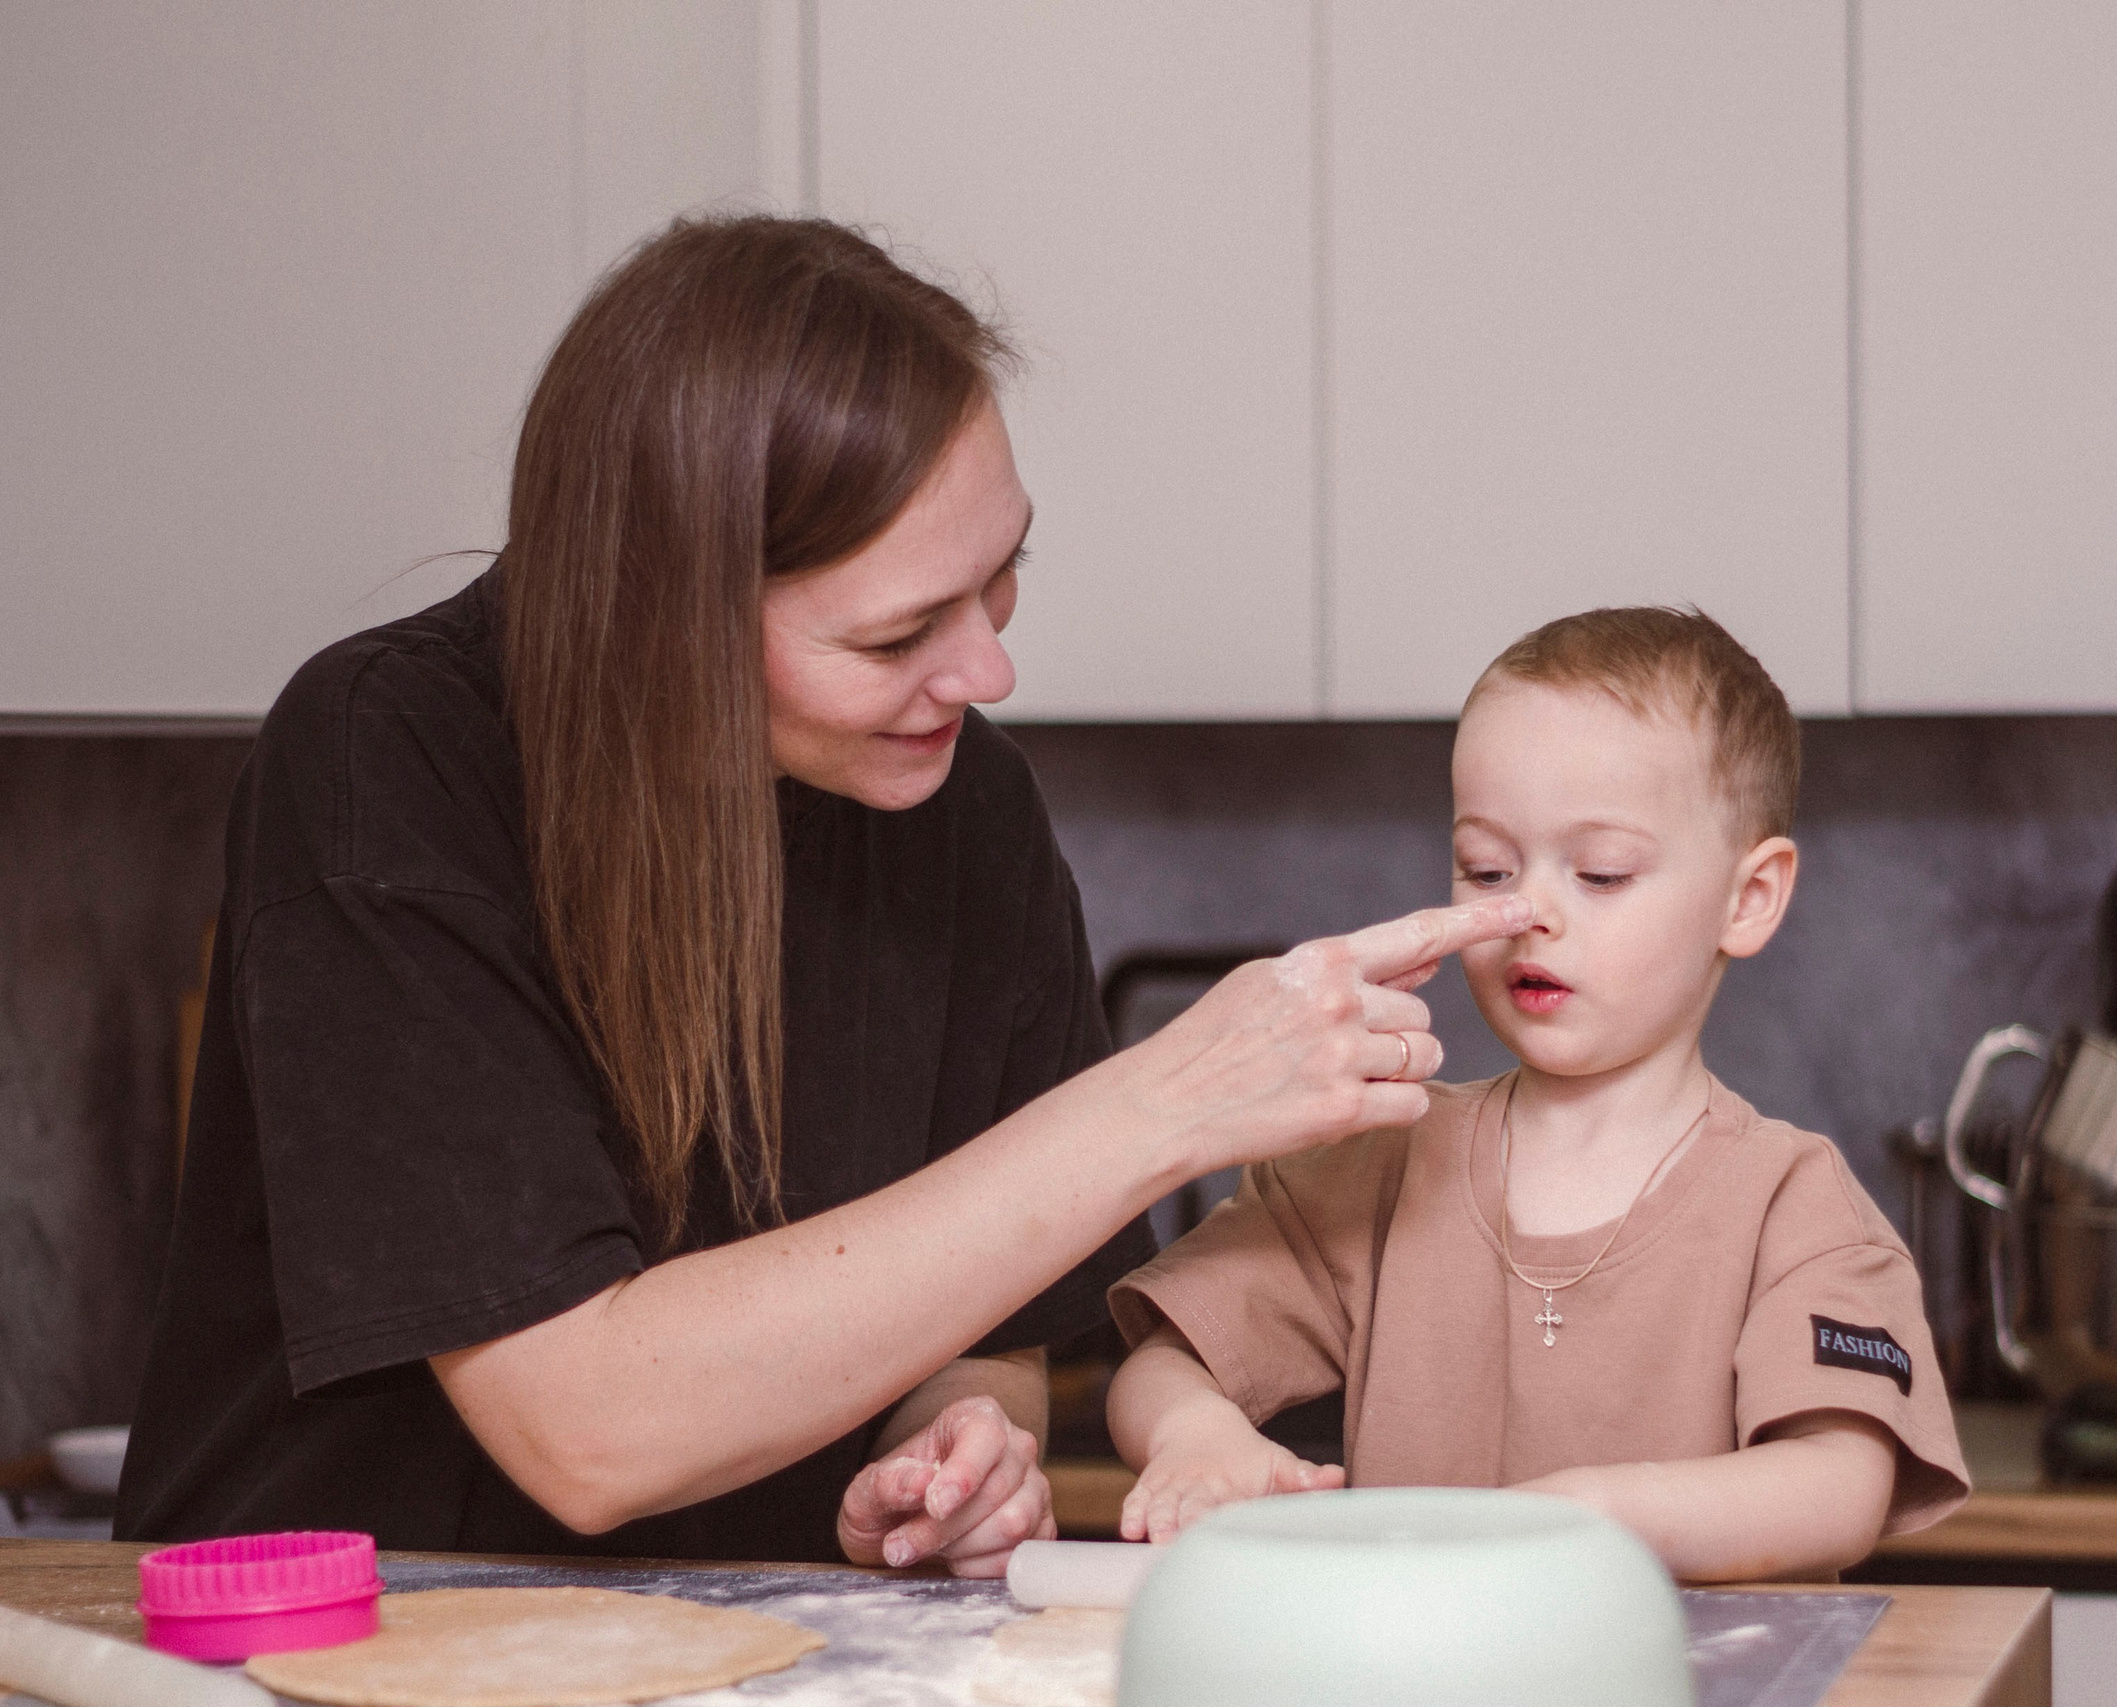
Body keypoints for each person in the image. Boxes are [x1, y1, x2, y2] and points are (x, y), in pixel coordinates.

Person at [114, 215, 1527, 1571]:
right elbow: (585, 1424)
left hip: (756, 1652)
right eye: (901, 629)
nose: (986, 673)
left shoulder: (964, 804)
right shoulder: (390, 755)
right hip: (328, 1648)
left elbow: (991, 1327)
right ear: (664, 621)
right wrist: (1163, 1101)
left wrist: (962, 1447)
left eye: (1003, 574)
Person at [1105, 607, 1970, 1581]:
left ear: (1748, 898)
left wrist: (1589, 1514)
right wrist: (1194, 1437)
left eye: (1599, 873)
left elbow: (1840, 1485)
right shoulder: (1375, 1161)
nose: (1528, 914)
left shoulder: (1793, 1207)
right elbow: (1161, 1362)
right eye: (1487, 868)